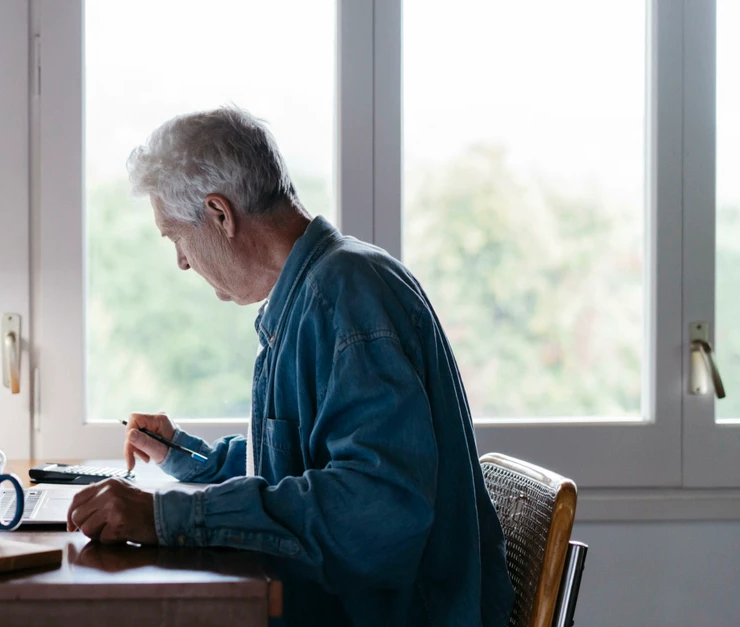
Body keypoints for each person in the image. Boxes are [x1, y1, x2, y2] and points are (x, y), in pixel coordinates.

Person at [65, 106, 513, 626]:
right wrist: (191, 458)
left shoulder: (345, 296)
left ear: (220, 215)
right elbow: (300, 469)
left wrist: (168, 516)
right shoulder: (315, 291)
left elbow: (375, 510)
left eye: (175, 237)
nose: (182, 262)